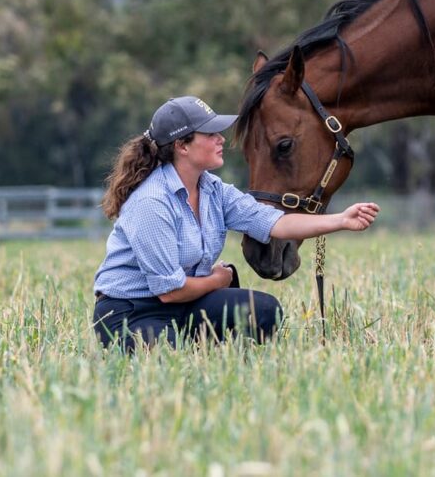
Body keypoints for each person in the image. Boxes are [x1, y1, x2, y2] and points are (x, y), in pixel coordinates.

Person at [92, 95, 379, 350]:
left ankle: (201, 348)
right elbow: (169, 292)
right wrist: (217, 281)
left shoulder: (213, 189)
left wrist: (340, 220)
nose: (221, 139)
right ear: (182, 145)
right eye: (211, 133)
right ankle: (183, 347)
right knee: (168, 356)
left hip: (187, 305)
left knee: (265, 311)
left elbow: (275, 223)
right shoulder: (151, 203)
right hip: (130, 312)